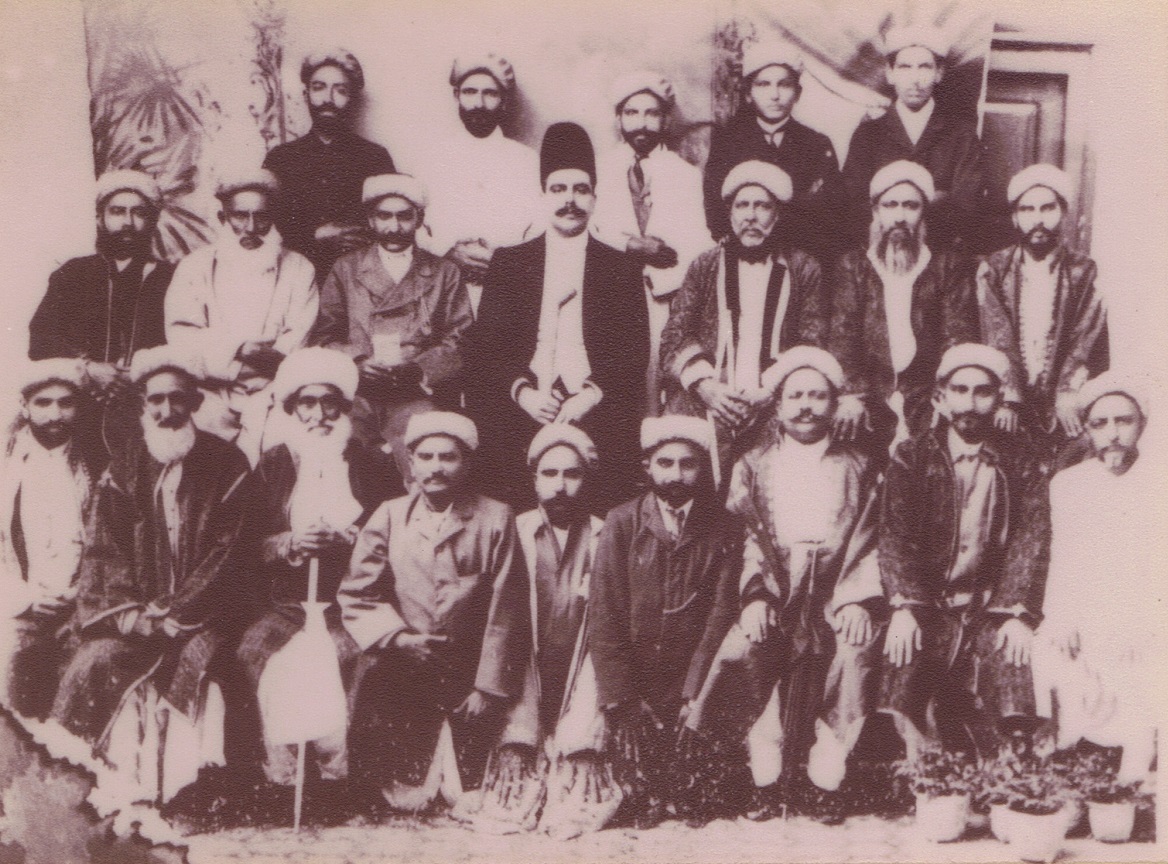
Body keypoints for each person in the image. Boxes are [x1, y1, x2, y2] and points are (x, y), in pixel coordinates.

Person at [49, 345, 257, 803]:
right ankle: (107, 785)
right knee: (96, 660)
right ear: (142, 404)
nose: (166, 411)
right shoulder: (124, 465)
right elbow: (106, 548)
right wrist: (139, 616)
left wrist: (180, 611)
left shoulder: (228, 463)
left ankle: (190, 789)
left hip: (208, 614)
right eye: (156, 399)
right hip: (138, 613)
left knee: (201, 660)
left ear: (196, 402)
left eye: (177, 398)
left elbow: (231, 551)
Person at [685, 347, 884, 819]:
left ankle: (826, 777)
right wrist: (755, 596)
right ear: (777, 405)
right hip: (776, 584)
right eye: (795, 396)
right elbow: (749, 538)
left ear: (834, 404)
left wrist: (857, 600)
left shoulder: (861, 465)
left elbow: (872, 538)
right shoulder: (753, 464)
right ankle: (763, 776)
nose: (806, 406)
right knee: (746, 649)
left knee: (853, 653)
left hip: (837, 587)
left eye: (818, 396)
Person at [339, 412, 530, 813]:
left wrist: (487, 687)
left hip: (470, 667)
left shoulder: (495, 517)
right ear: (411, 463)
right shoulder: (389, 516)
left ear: (467, 463)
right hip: (407, 664)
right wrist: (398, 638)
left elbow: (507, 610)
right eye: (425, 457)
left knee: (471, 792)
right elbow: (358, 593)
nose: (436, 467)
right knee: (401, 788)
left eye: (448, 457)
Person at [236, 348, 402, 802]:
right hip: (287, 603)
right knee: (256, 652)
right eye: (306, 403)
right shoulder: (273, 464)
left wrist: (351, 540)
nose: (319, 415)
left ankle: (340, 782)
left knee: (351, 658)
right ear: (292, 409)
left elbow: (397, 534)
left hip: (353, 603)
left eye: (330, 402)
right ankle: (283, 778)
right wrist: (290, 543)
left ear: (344, 408)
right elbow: (245, 543)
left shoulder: (371, 464)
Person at [465, 122, 649, 511]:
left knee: (603, 502)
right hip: (525, 409)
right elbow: (487, 349)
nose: (570, 200)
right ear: (543, 195)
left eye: (581, 190)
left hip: (596, 409)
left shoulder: (620, 267)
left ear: (595, 198)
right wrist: (525, 394)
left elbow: (634, 351)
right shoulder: (510, 263)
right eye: (558, 189)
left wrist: (589, 396)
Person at [879, 344, 1050, 760]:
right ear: (940, 398)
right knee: (905, 663)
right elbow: (895, 537)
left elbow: (1031, 538)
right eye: (960, 390)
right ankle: (915, 757)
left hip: (991, 603)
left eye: (982, 392)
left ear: (1000, 398)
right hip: (929, 602)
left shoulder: (1021, 458)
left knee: (1011, 661)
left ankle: (1008, 758)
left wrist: (1016, 611)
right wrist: (904, 605)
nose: (970, 403)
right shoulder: (912, 456)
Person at [587, 416, 742, 827]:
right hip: (637, 672)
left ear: (703, 468)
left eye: (688, 464)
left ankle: (689, 790)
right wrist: (620, 693)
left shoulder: (724, 526)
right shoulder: (622, 521)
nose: (676, 475)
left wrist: (695, 690)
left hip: (692, 671)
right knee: (633, 745)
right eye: (665, 463)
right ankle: (645, 793)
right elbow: (605, 610)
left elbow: (722, 611)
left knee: (697, 742)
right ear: (648, 467)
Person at [460, 424, 604, 832]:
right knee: (513, 784)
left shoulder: (604, 535)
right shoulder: (514, 531)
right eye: (549, 473)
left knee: (580, 782)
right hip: (524, 676)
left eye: (572, 474)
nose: (560, 486)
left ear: (587, 479)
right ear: (534, 478)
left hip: (581, 673)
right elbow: (500, 625)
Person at [661, 159, 829, 485]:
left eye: (762, 206)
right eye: (742, 205)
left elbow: (813, 340)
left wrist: (769, 391)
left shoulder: (803, 268)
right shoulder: (705, 265)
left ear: (777, 214)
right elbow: (674, 334)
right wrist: (707, 387)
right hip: (708, 399)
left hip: (772, 400)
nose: (751, 216)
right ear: (730, 214)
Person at [1032, 375, 1158, 783]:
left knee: (1146, 660)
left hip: (1146, 613)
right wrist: (1062, 617)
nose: (1113, 434)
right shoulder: (1069, 484)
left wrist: (1141, 625)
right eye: (1100, 424)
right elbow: (1064, 559)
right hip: (1089, 609)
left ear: (1142, 424)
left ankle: (1133, 770)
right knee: (1050, 647)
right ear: (1086, 429)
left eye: (1124, 421)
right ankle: (1063, 763)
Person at [310, 173, 472, 480]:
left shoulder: (444, 272)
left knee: (427, 459)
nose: (394, 227)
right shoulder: (346, 269)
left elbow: (461, 339)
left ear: (419, 219)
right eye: (384, 216)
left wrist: (418, 369)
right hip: (357, 393)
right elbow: (322, 337)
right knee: (339, 460)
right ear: (370, 220)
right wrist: (358, 362)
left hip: (415, 394)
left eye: (404, 217)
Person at [165, 168, 318, 465]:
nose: (250, 228)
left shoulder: (299, 268)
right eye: (240, 216)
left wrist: (266, 362)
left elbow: (297, 339)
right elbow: (182, 336)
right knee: (202, 457)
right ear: (223, 217)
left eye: (261, 217)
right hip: (210, 392)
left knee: (283, 454)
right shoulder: (194, 267)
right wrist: (240, 350)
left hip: (274, 391)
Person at [827, 160, 978, 458]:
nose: (899, 217)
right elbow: (843, 336)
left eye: (910, 206)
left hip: (928, 399)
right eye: (890, 205)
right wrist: (852, 395)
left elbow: (957, 337)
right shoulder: (854, 266)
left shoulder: (946, 266)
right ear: (876, 212)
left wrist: (945, 395)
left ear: (923, 213)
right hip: (867, 399)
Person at [28, 170, 173, 455]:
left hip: (148, 404)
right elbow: (41, 339)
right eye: (117, 211)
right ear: (100, 218)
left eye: (139, 212)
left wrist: (138, 373)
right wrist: (89, 369)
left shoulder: (170, 278)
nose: (127, 222)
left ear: (153, 221)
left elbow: (183, 344)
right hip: (79, 404)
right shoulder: (73, 274)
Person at [591, 70, 712, 413]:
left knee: (658, 386)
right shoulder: (598, 170)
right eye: (631, 113)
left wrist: (665, 268)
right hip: (609, 296)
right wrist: (630, 245)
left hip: (663, 298)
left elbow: (697, 244)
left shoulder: (685, 174)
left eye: (651, 113)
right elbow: (588, 229)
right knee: (612, 388)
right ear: (618, 119)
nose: (642, 123)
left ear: (666, 120)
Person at [977, 164, 1109, 460]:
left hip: (1063, 399)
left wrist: (1068, 392)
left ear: (1063, 213)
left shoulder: (1083, 271)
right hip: (1007, 398)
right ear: (1015, 217)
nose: (1038, 219)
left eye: (1047, 208)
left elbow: (1085, 338)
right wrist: (1008, 397)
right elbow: (996, 333)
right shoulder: (995, 269)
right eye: (1027, 209)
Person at [0, 360, 99, 719]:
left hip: (80, 610)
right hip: (17, 609)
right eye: (43, 403)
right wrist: (24, 599)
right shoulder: (7, 467)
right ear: (24, 406)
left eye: (65, 403)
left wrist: (79, 595)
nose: (55, 414)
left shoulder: (95, 467)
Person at [410, 52, 540, 318]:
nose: (479, 103)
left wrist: (503, 262)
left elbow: (539, 229)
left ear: (504, 101)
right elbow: (413, 226)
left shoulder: (527, 161)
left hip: (509, 294)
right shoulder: (431, 159)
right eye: (470, 92)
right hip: (441, 291)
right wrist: (447, 253)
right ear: (457, 95)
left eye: (490, 93)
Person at [841, 25, 985, 252]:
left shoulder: (961, 135)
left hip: (941, 254)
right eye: (905, 67)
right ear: (890, 74)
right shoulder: (868, 134)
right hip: (881, 252)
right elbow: (854, 203)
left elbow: (966, 206)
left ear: (939, 73)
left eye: (924, 67)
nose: (915, 79)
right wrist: (937, 198)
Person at [703, 42, 844, 263]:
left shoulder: (817, 145)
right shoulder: (728, 143)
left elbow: (830, 214)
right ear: (748, 94)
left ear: (797, 93)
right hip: (744, 258)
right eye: (764, 85)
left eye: (784, 85)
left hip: (802, 259)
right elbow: (716, 212)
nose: (775, 95)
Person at [263, 49, 395, 280]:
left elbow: (392, 225)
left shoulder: (375, 158)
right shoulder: (281, 159)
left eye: (340, 90)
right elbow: (263, 228)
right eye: (319, 88)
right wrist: (315, 236)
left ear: (352, 97)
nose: (328, 99)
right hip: (294, 280)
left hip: (360, 281)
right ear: (306, 94)